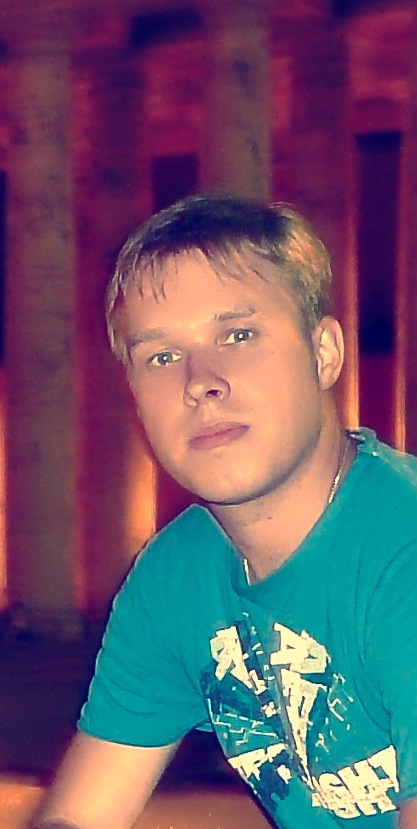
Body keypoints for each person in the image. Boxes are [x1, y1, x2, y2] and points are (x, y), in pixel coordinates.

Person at [32, 195, 417, 829]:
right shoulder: (176, 575)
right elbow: (79, 816)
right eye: (161, 356)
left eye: (237, 336)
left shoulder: (402, 550)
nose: (199, 382)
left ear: (323, 352)